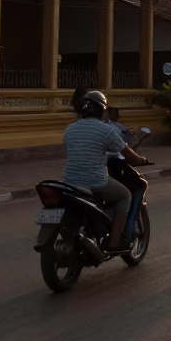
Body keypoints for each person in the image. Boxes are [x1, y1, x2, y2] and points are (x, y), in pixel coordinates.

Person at [62, 90, 149, 253]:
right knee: (125, 196)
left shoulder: (70, 129)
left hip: (70, 182)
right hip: (95, 181)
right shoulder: (106, 130)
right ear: (102, 110)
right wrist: (140, 160)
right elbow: (128, 154)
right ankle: (114, 242)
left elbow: (70, 149)